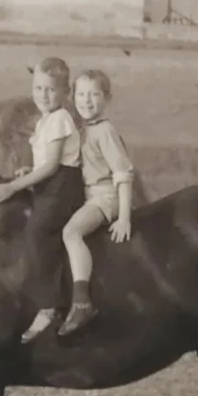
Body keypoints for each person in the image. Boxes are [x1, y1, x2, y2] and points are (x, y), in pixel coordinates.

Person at [0, 57, 86, 344]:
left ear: (65, 93)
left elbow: (53, 167)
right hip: (50, 184)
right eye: (38, 88)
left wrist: (13, 186)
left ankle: (50, 305)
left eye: (51, 90)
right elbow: (44, 164)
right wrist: (29, 171)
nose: (43, 95)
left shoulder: (60, 120)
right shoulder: (46, 120)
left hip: (63, 188)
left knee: (38, 231)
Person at [57, 69, 136, 336]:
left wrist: (124, 217)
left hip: (105, 196)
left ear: (107, 98)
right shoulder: (81, 130)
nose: (86, 100)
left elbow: (123, 175)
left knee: (72, 232)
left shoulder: (105, 131)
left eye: (94, 94)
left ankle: (82, 302)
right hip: (88, 195)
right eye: (81, 94)